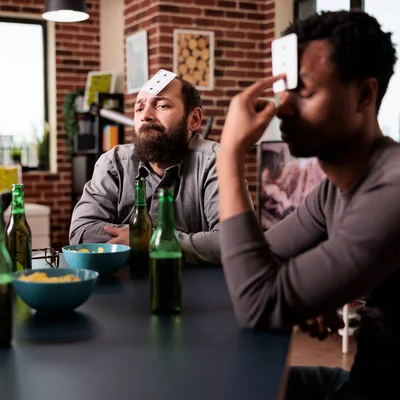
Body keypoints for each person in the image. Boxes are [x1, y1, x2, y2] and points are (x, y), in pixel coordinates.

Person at [216, 10, 398, 399]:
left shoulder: (395, 188)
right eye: (285, 91)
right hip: (363, 379)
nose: (283, 109)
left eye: (306, 92)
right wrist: (310, 289)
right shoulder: (331, 191)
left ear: (365, 94)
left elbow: (259, 303)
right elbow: (260, 255)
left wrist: (229, 155)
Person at [70, 75, 227, 265]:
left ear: (194, 119)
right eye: (139, 108)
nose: (146, 115)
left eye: (161, 106)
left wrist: (146, 241)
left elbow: (232, 241)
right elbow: (82, 231)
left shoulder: (216, 161)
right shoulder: (114, 163)